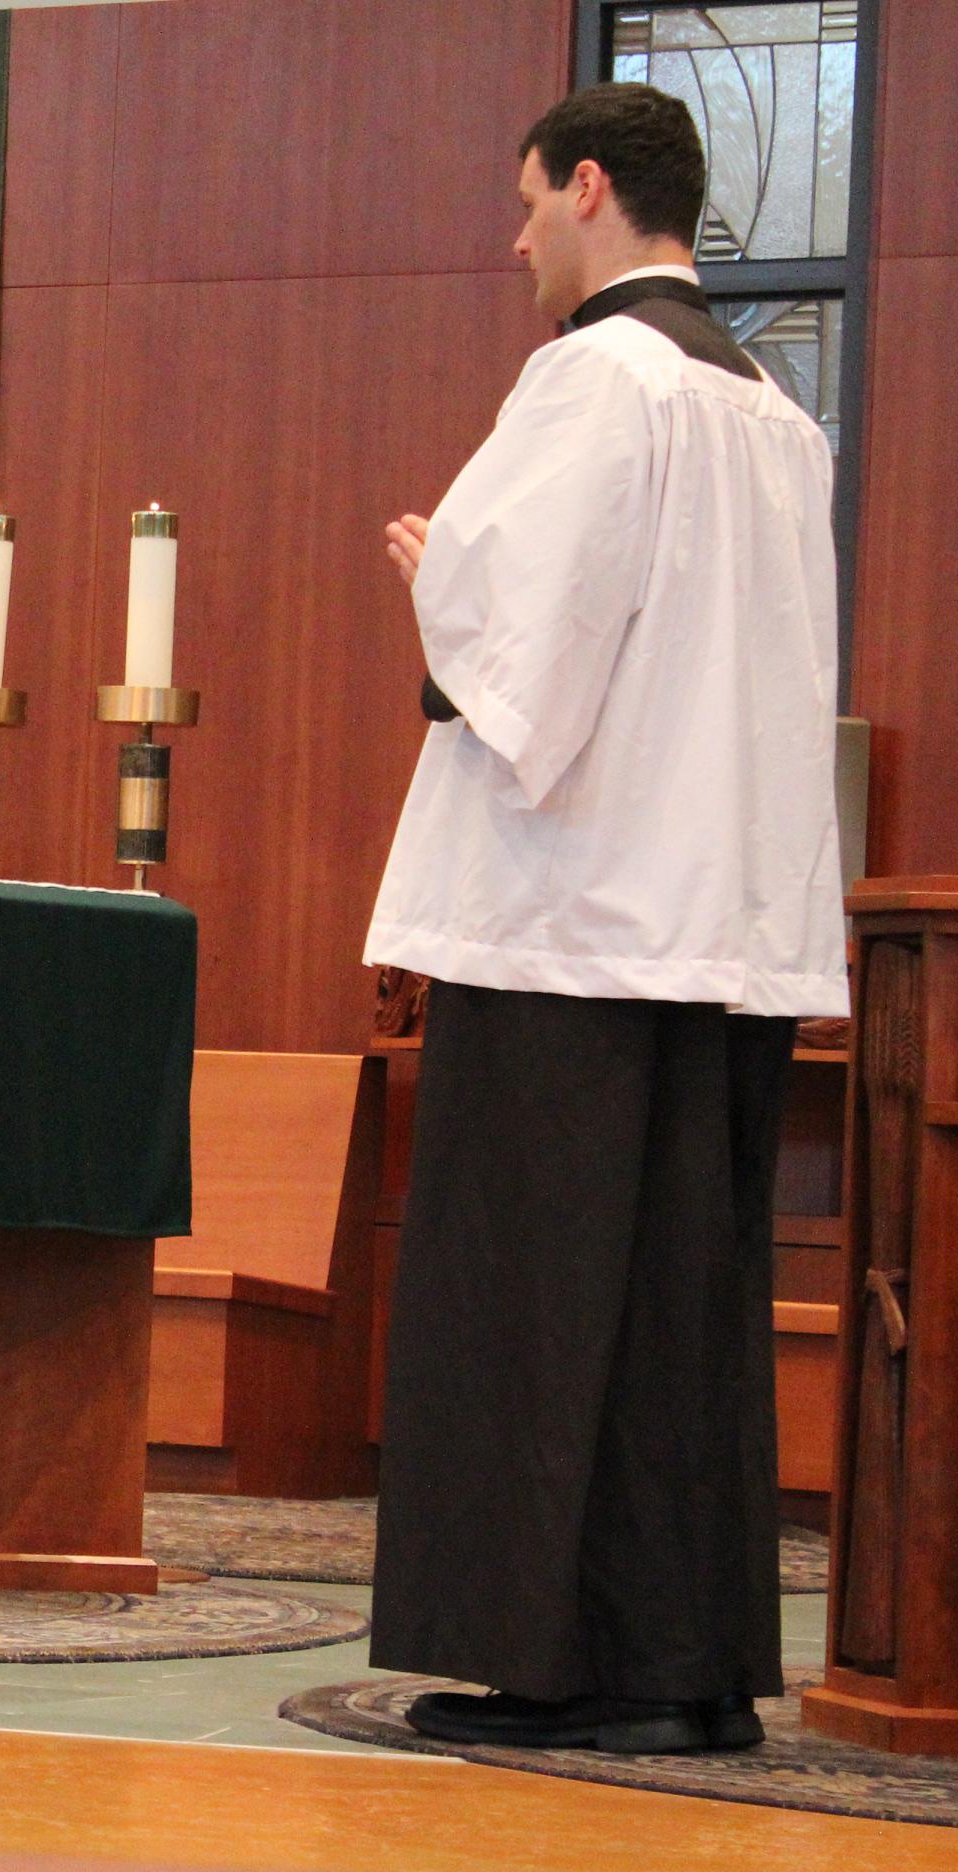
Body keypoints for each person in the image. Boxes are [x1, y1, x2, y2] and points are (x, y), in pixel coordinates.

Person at [364, 83, 847, 1755]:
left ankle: (560, 1660)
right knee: (681, 1309)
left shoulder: (594, 379)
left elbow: (513, 660)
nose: (512, 243)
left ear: (588, 189)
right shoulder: (773, 411)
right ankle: (688, 1662)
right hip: (722, 924)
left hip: (575, 923)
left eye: (523, 207)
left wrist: (436, 585)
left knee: (542, 1301)